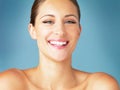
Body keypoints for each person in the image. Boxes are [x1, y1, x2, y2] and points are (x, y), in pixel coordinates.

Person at [0, 0, 119, 90]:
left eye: (70, 21)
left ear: (79, 30)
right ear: (33, 30)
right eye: (48, 21)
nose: (60, 31)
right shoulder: (9, 84)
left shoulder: (100, 86)